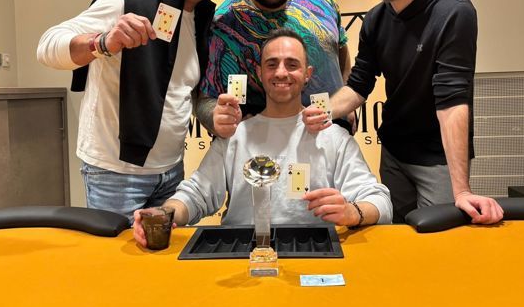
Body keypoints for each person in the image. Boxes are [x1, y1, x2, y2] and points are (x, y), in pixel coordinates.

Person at [303, 0, 503, 225]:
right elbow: (359, 86)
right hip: (394, 153)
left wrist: (462, 190)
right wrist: (321, 110)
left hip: (437, 158)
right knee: (394, 233)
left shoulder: (453, 11)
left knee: (438, 238)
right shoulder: (375, 20)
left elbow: (452, 102)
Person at [37, 0, 233, 221]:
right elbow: (47, 46)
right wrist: (102, 42)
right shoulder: (125, 2)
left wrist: (214, 116)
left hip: (171, 171)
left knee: (167, 251)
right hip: (115, 175)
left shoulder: (205, 17)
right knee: (119, 253)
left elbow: (184, 92)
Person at [133, 29, 392, 247]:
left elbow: (380, 202)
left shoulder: (334, 137)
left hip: (315, 252)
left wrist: (352, 212)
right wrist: (165, 212)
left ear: (308, 74)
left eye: (292, 64)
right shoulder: (235, 135)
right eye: (272, 64)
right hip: (240, 253)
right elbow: (196, 194)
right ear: (259, 72)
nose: (281, 72)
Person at [195, 0, 351, 137]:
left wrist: (345, 103)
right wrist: (216, 117)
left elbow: (340, 51)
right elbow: (204, 101)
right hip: (263, 151)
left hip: (333, 137)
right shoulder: (223, 26)